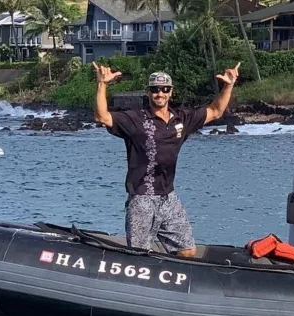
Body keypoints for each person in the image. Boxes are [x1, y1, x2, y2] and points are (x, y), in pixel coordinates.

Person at [91, 61, 240, 257]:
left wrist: (228, 85)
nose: (159, 93)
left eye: (164, 89)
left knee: (187, 251)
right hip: (142, 199)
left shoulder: (181, 119)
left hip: (168, 197)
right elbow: (102, 117)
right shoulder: (136, 120)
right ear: (148, 92)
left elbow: (215, 111)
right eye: (155, 89)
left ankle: (167, 272)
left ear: (171, 92)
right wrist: (102, 84)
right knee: (139, 256)